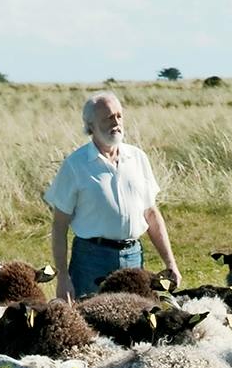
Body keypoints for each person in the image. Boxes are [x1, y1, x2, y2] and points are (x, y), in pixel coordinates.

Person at [44, 91, 182, 300]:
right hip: (91, 259)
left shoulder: (137, 158)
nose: (116, 122)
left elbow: (151, 214)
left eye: (119, 115)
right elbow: (59, 225)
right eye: (108, 117)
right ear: (90, 125)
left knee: (134, 321)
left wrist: (170, 263)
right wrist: (63, 277)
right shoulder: (75, 165)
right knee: (90, 322)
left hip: (133, 256)